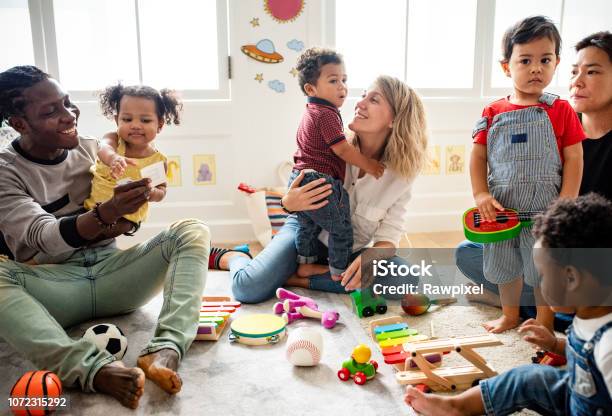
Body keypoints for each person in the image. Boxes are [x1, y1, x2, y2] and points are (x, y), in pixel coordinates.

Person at [0, 66, 209, 409]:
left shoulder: (92, 150)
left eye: (67, 103)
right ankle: (91, 369)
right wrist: (107, 213)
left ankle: (165, 349)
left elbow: (129, 221)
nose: (70, 116)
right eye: (51, 111)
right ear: (20, 124)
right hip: (55, 284)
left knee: (191, 230)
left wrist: (133, 211)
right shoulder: (6, 171)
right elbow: (45, 237)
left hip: (113, 272)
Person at [213, 75, 428, 303]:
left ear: (394, 119)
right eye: (363, 95)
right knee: (247, 288)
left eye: (373, 100)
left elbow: (389, 238)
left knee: (404, 279)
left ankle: (300, 279)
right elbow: (293, 192)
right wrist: (288, 203)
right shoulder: (332, 145)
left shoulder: (401, 175)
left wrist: (371, 259)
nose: (359, 103)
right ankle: (235, 257)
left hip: (347, 251)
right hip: (304, 235)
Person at [456, 30, 612, 332]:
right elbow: (480, 157)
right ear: (508, 66)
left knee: (546, 269)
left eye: (591, 72)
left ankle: (548, 314)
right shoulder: (505, 113)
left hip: (581, 253)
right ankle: (521, 309)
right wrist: (483, 196)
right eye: (575, 71)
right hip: (520, 223)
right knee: (470, 253)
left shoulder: (559, 113)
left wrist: (564, 209)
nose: (577, 81)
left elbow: (575, 166)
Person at [405, 193, 612, 416]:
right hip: (575, 393)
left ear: (571, 279)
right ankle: (457, 407)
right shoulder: (588, 313)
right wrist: (554, 344)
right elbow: (580, 353)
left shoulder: (608, 347)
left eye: (542, 275)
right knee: (526, 378)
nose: (539, 284)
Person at [288, 47, 384, 281]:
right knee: (341, 228)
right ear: (311, 89)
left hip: (299, 177)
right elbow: (341, 149)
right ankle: (339, 271)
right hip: (318, 180)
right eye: (333, 80)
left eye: (344, 79)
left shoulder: (311, 110)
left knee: (307, 226)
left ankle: (306, 264)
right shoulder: (326, 113)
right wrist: (370, 165)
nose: (342, 86)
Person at [83, 84, 182, 231]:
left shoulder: (158, 160)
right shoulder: (114, 140)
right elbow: (103, 148)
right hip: (95, 213)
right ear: (117, 121)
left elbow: (162, 190)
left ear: (160, 124)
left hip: (129, 220)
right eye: (127, 119)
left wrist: (151, 192)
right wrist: (113, 158)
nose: (135, 125)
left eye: (145, 120)